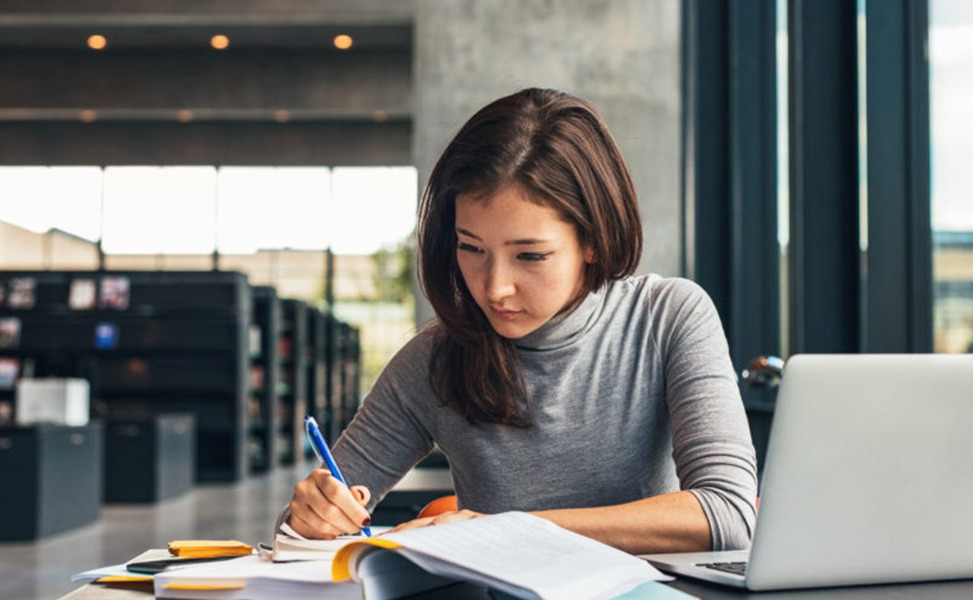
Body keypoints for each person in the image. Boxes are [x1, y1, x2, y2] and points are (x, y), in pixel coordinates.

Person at [279, 87, 757, 554]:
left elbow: (728, 513)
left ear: (593, 240)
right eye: (471, 249)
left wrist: (507, 531)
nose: (494, 288)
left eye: (530, 255)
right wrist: (311, 517)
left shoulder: (667, 317)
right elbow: (294, 535)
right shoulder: (433, 359)